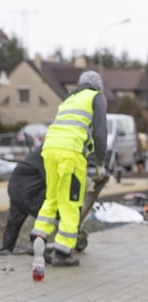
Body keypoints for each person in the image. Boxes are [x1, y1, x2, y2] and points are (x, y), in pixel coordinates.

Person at [31, 70, 107, 267]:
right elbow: (100, 133)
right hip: (70, 153)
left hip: (50, 150)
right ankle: (63, 252)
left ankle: (38, 238)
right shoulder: (96, 97)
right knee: (70, 202)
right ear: (98, 86)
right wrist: (100, 163)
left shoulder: (68, 100)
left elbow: (76, 130)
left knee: (52, 198)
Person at [0, 145, 46, 254]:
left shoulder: (42, 149)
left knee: (15, 219)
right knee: (47, 214)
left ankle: (6, 248)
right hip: (29, 190)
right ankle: (37, 243)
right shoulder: (50, 152)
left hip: (15, 185)